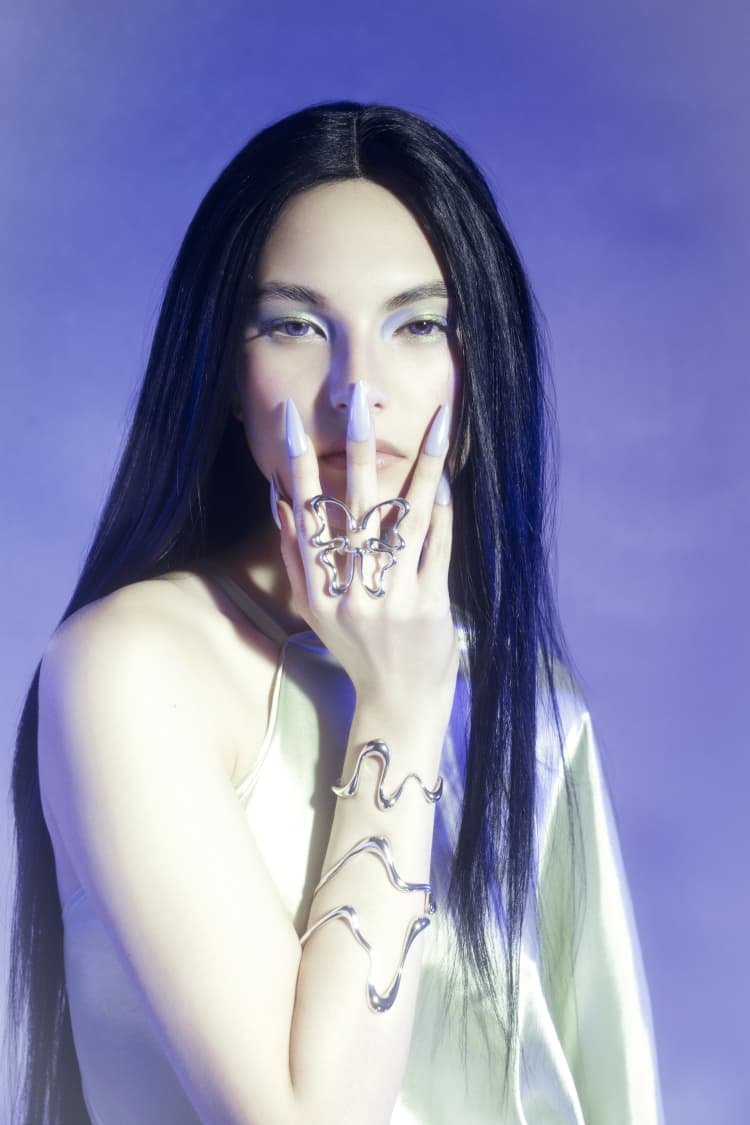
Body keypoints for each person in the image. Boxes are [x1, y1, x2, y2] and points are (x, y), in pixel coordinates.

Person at [5, 101, 664, 1124]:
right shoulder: (131, 666)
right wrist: (398, 707)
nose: (359, 392)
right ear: (229, 373)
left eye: (419, 325)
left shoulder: (535, 709)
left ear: (479, 367)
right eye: (296, 326)